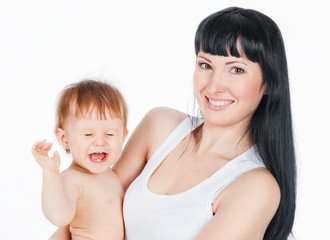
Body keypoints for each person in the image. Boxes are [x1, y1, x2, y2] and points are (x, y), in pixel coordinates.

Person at [113, 6, 296, 240]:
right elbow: (91, 203)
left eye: (236, 69)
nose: (213, 86)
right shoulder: (159, 126)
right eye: (206, 65)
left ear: (269, 83)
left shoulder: (256, 187)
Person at [32, 80, 128, 240]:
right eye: (88, 134)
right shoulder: (72, 178)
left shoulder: (111, 175)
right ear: (64, 138)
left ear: (124, 136)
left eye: (110, 134)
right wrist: (50, 171)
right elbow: (59, 217)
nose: (99, 142)